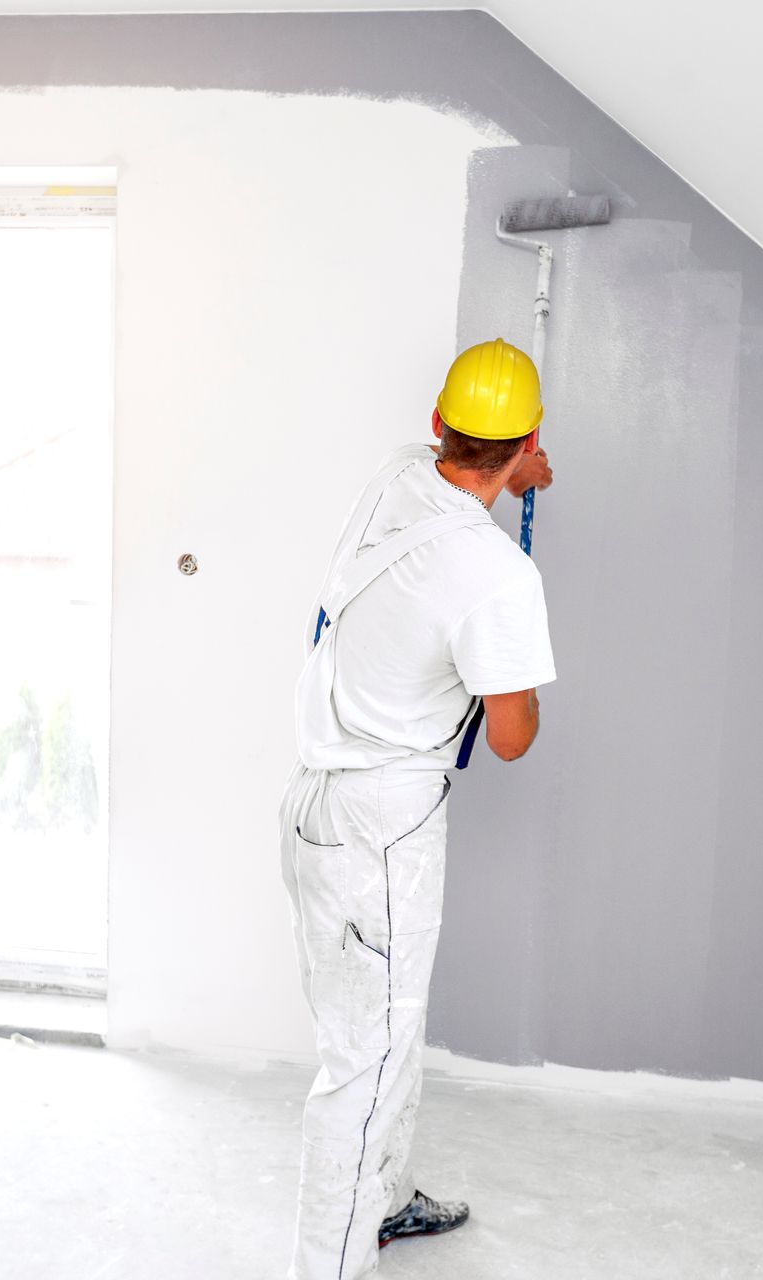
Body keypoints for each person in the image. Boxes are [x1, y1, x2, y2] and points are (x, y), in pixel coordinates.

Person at [279, 338, 557, 1279]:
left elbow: (450, 499)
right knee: (366, 1067)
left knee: (383, 1033)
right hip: (383, 833)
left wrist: (511, 475)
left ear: (438, 422)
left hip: (318, 806)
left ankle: (385, 1201)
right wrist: (513, 673)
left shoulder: (396, 477)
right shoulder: (500, 578)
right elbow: (512, 737)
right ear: (529, 442)